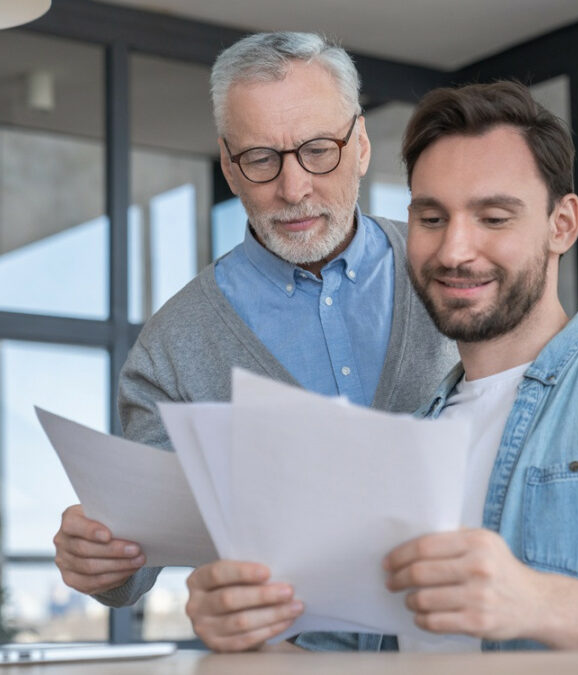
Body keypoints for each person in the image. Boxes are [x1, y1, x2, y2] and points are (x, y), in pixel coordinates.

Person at [185, 80, 578, 653]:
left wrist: (540, 603)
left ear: (561, 225)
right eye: (432, 219)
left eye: (493, 217)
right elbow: (347, 657)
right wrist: (250, 635)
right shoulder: (408, 440)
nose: (456, 249)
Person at [50, 32, 456, 620]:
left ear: (362, 145)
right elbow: (135, 556)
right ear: (229, 167)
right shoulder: (172, 347)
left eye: (319, 150)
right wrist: (99, 557)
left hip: (463, 644)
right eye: (261, 159)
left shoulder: (451, 269)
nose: (294, 189)